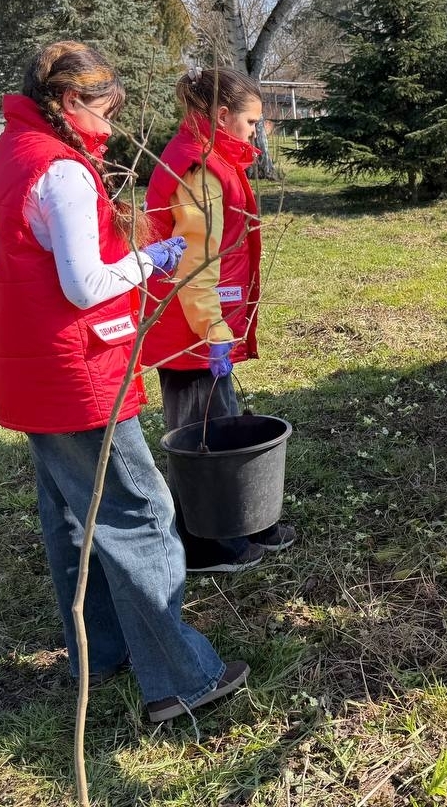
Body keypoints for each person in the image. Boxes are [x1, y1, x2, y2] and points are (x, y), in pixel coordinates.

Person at [0, 41, 247, 723]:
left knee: (73, 517)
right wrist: (149, 260)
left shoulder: (6, 158)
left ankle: (103, 650)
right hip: (74, 373)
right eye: (105, 110)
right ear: (69, 102)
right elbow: (85, 283)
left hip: (25, 369)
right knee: (138, 512)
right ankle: (181, 678)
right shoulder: (59, 170)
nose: (112, 127)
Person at [142, 67, 296, 573]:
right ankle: (205, 543)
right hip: (192, 329)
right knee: (199, 437)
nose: (256, 132)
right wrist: (212, 329)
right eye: (251, 123)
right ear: (222, 116)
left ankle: (240, 522)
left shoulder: (214, 161)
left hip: (205, 324)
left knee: (222, 423)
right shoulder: (200, 171)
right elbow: (194, 262)